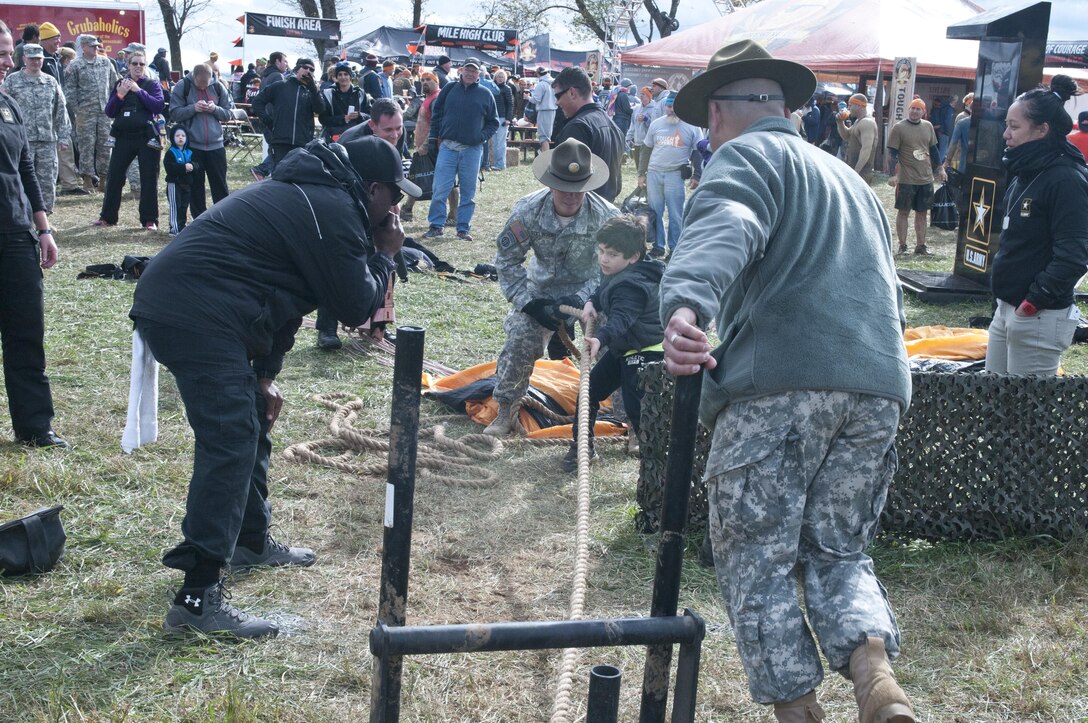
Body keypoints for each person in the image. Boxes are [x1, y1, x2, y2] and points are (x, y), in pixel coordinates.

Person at [661, 40, 914, 723]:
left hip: (783, 385)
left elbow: (727, 224)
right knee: (840, 550)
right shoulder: (851, 182)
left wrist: (686, 305)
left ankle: (799, 713)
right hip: (878, 386)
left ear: (718, 112)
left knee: (756, 558)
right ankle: (876, 680)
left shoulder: (745, 156)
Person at [130, 135, 419, 638]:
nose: (398, 209)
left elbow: (288, 299)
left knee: (252, 417)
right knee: (232, 438)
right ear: (372, 189)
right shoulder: (333, 209)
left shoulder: (320, 196)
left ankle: (250, 539)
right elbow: (355, 306)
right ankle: (197, 598)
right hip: (193, 310)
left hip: (208, 304)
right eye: (394, 197)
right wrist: (385, 253)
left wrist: (265, 376)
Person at [483, 138, 619, 436]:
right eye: (564, 188)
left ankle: (625, 417)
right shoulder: (528, 211)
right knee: (520, 337)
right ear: (550, 183)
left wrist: (585, 298)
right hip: (540, 292)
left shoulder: (607, 216)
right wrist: (529, 303)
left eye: (578, 188)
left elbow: (618, 269)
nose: (571, 196)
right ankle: (506, 411)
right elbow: (507, 261)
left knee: (618, 338)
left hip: (591, 293)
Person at [985, 76, 1088, 376]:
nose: (1006, 134)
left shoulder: (1066, 179)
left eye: (1014, 127)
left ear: (1042, 129)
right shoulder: (1025, 171)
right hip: (1007, 310)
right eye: (1007, 125)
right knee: (994, 406)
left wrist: (1032, 303)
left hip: (1037, 316)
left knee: (1025, 419)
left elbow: (1073, 255)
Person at [0, 22, 67, 449]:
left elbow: (25, 169)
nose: (7, 62)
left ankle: (34, 425)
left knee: (26, 332)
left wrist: (43, 229)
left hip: (15, 235)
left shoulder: (8, 105)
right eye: (1, 54)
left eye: (8, 53)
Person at [559, 214, 663, 468]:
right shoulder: (619, 270)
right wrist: (591, 301)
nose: (604, 258)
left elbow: (621, 319)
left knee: (636, 410)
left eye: (612, 254)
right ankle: (582, 447)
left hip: (646, 353)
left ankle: (656, 466)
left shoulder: (632, 285)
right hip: (624, 349)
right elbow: (603, 289)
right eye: (602, 250)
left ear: (633, 256)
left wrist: (599, 338)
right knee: (589, 393)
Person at [422, 57, 498, 242]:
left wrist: (480, 137)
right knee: (440, 188)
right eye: (468, 70)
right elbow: (437, 114)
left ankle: (463, 228)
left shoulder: (485, 94)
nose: (471, 73)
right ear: (461, 70)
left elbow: (493, 122)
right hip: (448, 147)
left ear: (479, 74)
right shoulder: (449, 89)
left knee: (468, 191)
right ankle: (436, 226)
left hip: (472, 150)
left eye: (475, 71)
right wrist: (433, 138)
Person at [94, 50, 163, 230]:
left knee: (149, 178)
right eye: (134, 64)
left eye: (141, 64)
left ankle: (150, 219)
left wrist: (138, 91)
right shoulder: (120, 84)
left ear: (145, 66)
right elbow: (110, 111)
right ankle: (107, 217)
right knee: (115, 176)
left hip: (146, 137)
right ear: (128, 65)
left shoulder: (151, 84)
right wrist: (120, 95)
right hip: (123, 136)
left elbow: (157, 105)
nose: (138, 67)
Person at [1, 43, 70, 214]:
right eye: (32, 58)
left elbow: (61, 110)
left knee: (47, 181)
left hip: (47, 140)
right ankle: (24, 215)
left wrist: (63, 137)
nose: (35, 62)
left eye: (38, 58)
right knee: (21, 180)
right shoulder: (12, 80)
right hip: (23, 141)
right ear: (24, 59)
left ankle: (45, 218)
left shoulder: (50, 81)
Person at [636, 91, 702, 257]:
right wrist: (642, 173)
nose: (669, 109)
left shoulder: (692, 126)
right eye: (667, 106)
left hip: (675, 175)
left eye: (673, 106)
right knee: (655, 211)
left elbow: (698, 151)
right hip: (654, 173)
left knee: (675, 213)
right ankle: (658, 246)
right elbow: (646, 149)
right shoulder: (656, 124)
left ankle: (674, 248)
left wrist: (697, 175)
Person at [169, 62, 233, 219]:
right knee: (195, 186)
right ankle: (200, 220)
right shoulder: (182, 86)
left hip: (216, 145)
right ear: (193, 76)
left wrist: (215, 109)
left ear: (211, 78)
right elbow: (174, 113)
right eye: (199, 85)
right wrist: (193, 108)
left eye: (206, 85)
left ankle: (223, 219)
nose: (203, 88)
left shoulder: (218, 86)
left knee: (220, 186)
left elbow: (229, 113)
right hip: (193, 146)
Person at [553, 66, 625, 203]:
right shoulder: (612, 124)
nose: (557, 102)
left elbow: (564, 183)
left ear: (572, 93)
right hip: (606, 208)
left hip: (583, 211)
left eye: (558, 95)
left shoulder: (577, 127)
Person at [887, 98, 946, 255]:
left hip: (925, 178)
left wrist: (941, 169)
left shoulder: (928, 126)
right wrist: (893, 174)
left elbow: (934, 149)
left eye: (918, 109)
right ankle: (902, 245)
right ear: (909, 110)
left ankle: (921, 246)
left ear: (923, 112)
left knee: (922, 213)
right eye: (912, 108)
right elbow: (892, 152)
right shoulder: (899, 128)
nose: (914, 111)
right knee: (903, 211)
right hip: (906, 178)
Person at [64, 34, 119, 192]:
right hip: (85, 113)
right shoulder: (75, 65)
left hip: (104, 112)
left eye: (97, 46)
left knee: (105, 145)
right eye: (92, 46)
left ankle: (103, 179)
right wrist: (77, 110)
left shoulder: (105, 62)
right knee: (86, 146)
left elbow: (114, 84)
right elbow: (70, 91)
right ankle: (87, 179)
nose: (96, 48)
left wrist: (113, 105)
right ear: (84, 47)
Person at [251, 57, 324, 170]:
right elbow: (257, 102)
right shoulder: (281, 86)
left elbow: (320, 109)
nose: (308, 71)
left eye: (312, 69)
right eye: (305, 67)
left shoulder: (313, 91)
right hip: (281, 140)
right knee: (279, 177)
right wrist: (267, 120)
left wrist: (314, 91)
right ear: (297, 69)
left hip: (302, 142)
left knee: (298, 177)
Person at [250, 51, 287, 180]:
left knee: (275, 149)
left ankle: (266, 173)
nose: (286, 65)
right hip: (274, 119)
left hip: (266, 118)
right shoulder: (277, 76)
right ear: (277, 61)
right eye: (285, 61)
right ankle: (261, 170)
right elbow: (280, 100)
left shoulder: (265, 76)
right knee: (279, 151)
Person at [836, 93, 878, 183]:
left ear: (859, 105)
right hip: (854, 171)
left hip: (862, 174)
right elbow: (846, 136)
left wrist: (856, 172)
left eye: (850, 105)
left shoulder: (867, 122)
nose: (848, 108)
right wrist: (840, 123)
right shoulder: (858, 121)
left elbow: (866, 149)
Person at [163, 125, 198, 235]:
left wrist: (192, 166)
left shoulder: (190, 152)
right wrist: (183, 167)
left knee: (184, 206)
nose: (180, 138)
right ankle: (174, 229)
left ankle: (182, 226)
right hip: (174, 184)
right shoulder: (171, 152)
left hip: (187, 184)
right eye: (177, 135)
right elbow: (169, 167)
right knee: (175, 206)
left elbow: (197, 165)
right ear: (173, 138)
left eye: (183, 136)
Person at [319, 61, 367, 142]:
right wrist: (342, 118)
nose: (343, 77)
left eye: (346, 74)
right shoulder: (328, 93)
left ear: (350, 76)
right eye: (340, 74)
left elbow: (370, 116)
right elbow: (323, 119)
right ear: (336, 77)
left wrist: (360, 115)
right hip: (334, 138)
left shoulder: (360, 93)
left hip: (356, 138)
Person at [529, 67, 557, 152]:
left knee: (543, 137)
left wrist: (528, 98)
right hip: (553, 110)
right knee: (547, 135)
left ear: (538, 74)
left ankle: (545, 157)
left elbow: (536, 100)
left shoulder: (541, 85)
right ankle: (544, 155)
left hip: (544, 110)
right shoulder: (554, 83)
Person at [946, 93, 974, 173]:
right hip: (958, 154)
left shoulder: (965, 117)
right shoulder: (962, 117)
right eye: (970, 101)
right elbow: (956, 141)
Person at [492, 69, 514, 171]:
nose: (500, 79)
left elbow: (510, 105)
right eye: (498, 77)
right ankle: (497, 163)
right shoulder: (492, 87)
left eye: (502, 77)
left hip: (502, 118)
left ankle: (500, 164)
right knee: (494, 142)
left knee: (500, 143)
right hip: (493, 117)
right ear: (495, 77)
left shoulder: (507, 89)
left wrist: (508, 119)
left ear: (505, 78)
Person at [626, 86, 653, 169]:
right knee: (638, 167)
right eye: (640, 94)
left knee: (646, 167)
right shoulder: (636, 108)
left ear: (649, 96)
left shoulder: (655, 108)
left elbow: (654, 126)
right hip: (637, 142)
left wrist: (646, 119)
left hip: (648, 143)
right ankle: (640, 181)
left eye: (644, 94)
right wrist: (628, 137)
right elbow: (633, 124)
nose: (641, 96)